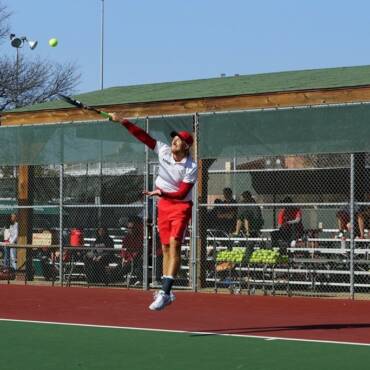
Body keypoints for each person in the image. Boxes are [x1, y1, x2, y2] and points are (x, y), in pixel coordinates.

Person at [109, 112, 197, 311]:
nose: (175, 140)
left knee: (174, 246)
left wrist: (161, 191)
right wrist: (122, 121)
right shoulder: (164, 150)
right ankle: (167, 294)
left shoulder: (191, 166)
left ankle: (165, 291)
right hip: (163, 205)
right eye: (175, 137)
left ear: (186, 146)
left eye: (180, 139)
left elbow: (183, 193)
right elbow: (143, 136)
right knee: (165, 248)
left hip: (181, 206)